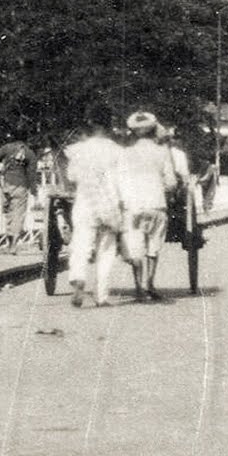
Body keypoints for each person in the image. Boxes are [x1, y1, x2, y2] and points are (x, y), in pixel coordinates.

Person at [64, 105, 125, 308]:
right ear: (109, 126)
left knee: (81, 244)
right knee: (106, 251)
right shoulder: (117, 151)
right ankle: (101, 296)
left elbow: (71, 177)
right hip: (109, 204)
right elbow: (123, 181)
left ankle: (79, 278)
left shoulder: (79, 150)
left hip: (85, 202)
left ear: (90, 125)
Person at [117, 112, 178, 301]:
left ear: (132, 133)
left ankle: (138, 287)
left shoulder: (125, 153)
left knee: (135, 248)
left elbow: (118, 180)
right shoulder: (162, 152)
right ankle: (150, 283)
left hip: (133, 206)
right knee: (153, 247)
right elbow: (171, 182)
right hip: (156, 205)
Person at [0, 135, 39, 247]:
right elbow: (32, 176)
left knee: (9, 214)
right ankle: (14, 245)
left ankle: (9, 242)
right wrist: (35, 193)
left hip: (6, 185)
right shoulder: (30, 154)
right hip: (21, 187)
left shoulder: (6, 148)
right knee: (18, 215)